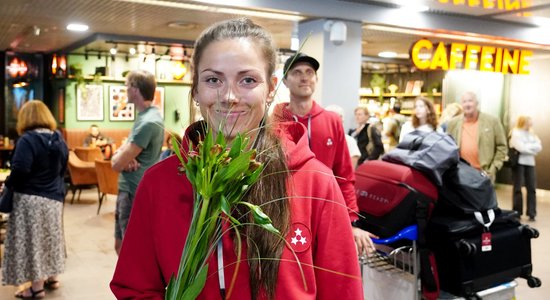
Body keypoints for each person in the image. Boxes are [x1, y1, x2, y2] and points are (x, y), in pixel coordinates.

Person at [111, 18, 363, 299]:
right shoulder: (159, 184)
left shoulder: (316, 183)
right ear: (195, 89)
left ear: (270, 89)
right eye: (213, 79)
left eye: (247, 80)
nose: (229, 95)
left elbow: (344, 292)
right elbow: (135, 287)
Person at [272, 53, 376, 255]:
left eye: (310, 72)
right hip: (285, 214)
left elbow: (344, 175)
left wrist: (352, 221)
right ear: (285, 80)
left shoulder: (332, 121)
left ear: (316, 79)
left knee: (326, 271)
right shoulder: (275, 122)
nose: (304, 77)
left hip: (326, 212)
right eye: (297, 72)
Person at [2, 100, 68, 298]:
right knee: (50, 237)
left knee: (33, 242)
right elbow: (63, 168)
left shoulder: (27, 140)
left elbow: (21, 168)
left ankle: (36, 287)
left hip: (30, 198)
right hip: (54, 198)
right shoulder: (58, 138)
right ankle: (52, 277)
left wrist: (10, 183)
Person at [110, 70, 164, 255]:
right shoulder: (146, 116)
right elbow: (123, 152)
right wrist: (123, 152)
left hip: (134, 192)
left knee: (129, 250)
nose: (125, 90)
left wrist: (120, 155)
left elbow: (116, 164)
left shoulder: (148, 122)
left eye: (127, 86)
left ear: (135, 89)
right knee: (120, 245)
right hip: (129, 189)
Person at [447, 91, 507, 183]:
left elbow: (502, 147)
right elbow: (447, 148)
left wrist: (493, 169)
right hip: (460, 174)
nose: (467, 104)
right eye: (464, 101)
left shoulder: (492, 121)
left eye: (470, 101)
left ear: (477, 103)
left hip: (483, 175)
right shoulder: (453, 123)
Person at [509, 115, 542, 221]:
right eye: (529, 121)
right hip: (519, 163)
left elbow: (539, 146)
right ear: (523, 122)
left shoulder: (532, 133)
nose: (531, 124)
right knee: (518, 188)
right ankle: (517, 212)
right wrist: (532, 149)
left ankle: (532, 213)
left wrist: (527, 147)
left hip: (530, 163)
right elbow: (520, 147)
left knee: (532, 188)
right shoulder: (515, 132)